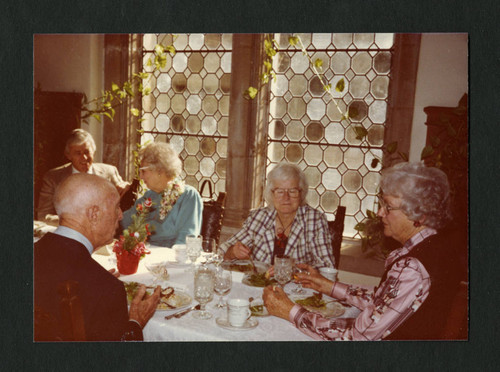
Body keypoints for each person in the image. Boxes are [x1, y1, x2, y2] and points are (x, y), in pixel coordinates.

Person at [263, 161, 466, 340]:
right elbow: (385, 301)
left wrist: (291, 311)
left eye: (388, 207)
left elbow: (356, 337)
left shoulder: (413, 267)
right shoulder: (438, 245)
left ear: (419, 215)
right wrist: (329, 286)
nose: (379, 212)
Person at [34, 173, 160, 341]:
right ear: (94, 214)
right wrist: (135, 324)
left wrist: (91, 285)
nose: (121, 215)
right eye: (116, 207)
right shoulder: (108, 288)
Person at [220, 163, 335, 267]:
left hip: (296, 289)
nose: (286, 198)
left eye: (292, 191)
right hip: (259, 286)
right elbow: (223, 250)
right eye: (280, 191)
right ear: (271, 193)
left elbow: (327, 266)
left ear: (301, 193)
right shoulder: (259, 217)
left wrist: (291, 272)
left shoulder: (314, 220)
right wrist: (232, 252)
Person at [37, 128, 130, 222]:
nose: (84, 157)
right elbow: (43, 215)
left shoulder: (109, 172)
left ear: (93, 151)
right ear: (68, 155)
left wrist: (127, 187)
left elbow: (126, 202)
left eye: (87, 152)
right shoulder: (53, 178)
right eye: (78, 153)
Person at [120, 142, 203, 247]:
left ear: (159, 170)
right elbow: (124, 222)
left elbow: (186, 240)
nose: (140, 176)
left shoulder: (188, 196)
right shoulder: (149, 196)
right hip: (146, 255)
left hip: (171, 259)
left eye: (143, 171)